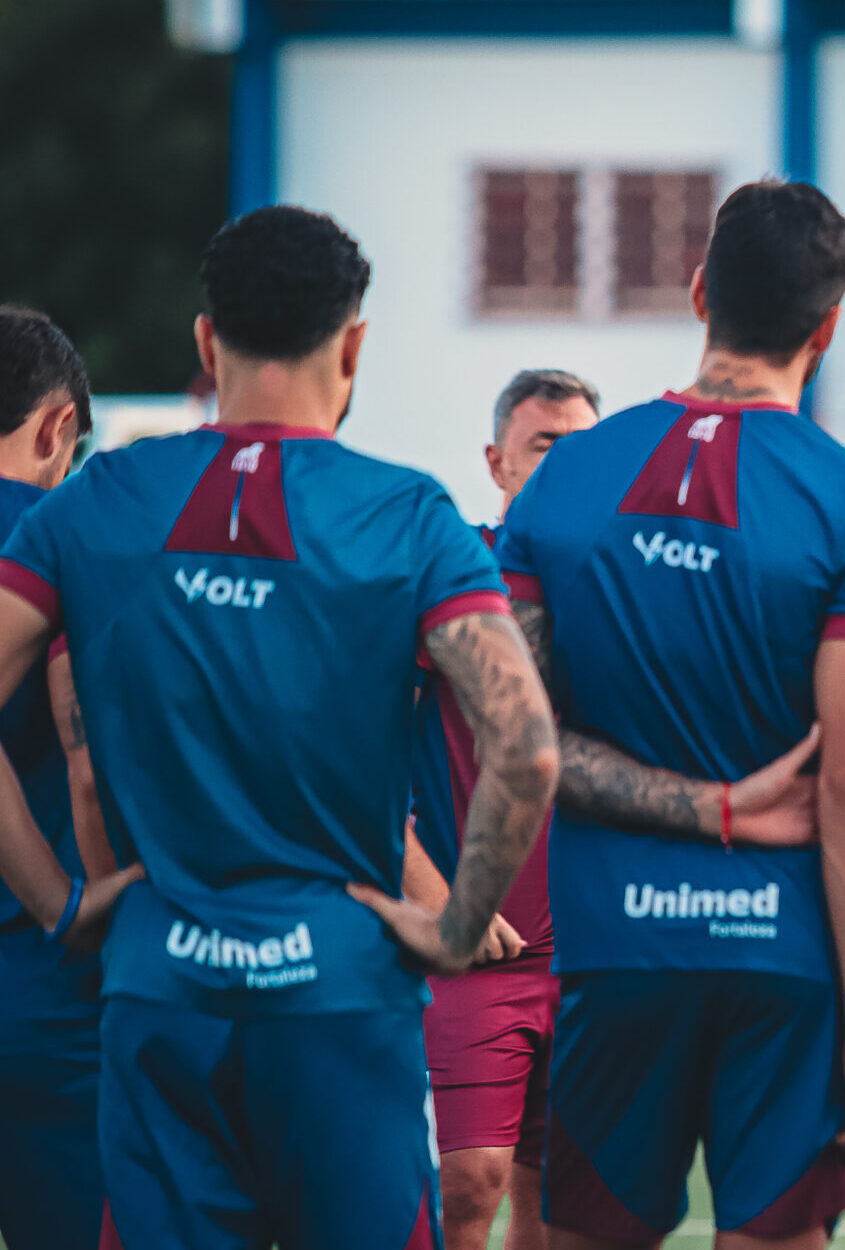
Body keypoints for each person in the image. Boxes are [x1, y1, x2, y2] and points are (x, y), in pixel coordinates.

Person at [0, 205, 559, 1249]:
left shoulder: (98, 498)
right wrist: (449, 924)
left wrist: (57, 900)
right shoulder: (406, 514)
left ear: (207, 342)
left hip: (162, 984)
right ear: (353, 345)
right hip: (341, 992)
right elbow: (526, 743)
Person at [498, 179, 845, 1249]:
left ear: (697, 293)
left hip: (616, 951)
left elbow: (522, 745)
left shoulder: (564, 477)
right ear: (828, 326)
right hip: (786, 960)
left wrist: (708, 807)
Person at [407, 367, 600, 1250]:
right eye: (544, 446)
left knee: (561, 1199)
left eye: (584, 449)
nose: (567, 465)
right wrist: (438, 894)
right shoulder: (455, 574)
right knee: (469, 1180)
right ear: (497, 461)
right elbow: (355, 753)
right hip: (484, 945)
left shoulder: (620, 583)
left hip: (603, 952)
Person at [0, 306, 114, 1250]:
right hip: (45, 978)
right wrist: (61, 905)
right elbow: (102, 758)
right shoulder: (71, 541)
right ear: (56, 428)